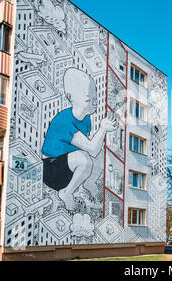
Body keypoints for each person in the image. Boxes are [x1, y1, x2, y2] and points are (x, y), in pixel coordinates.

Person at [42, 68, 118, 210]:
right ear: (71, 97)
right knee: (84, 158)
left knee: (100, 154)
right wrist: (102, 129)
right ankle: (66, 192)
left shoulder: (86, 119)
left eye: (95, 99)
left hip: (68, 165)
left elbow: (94, 150)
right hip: (51, 171)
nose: (94, 103)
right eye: (89, 99)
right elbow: (91, 149)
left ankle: (89, 183)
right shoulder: (64, 121)